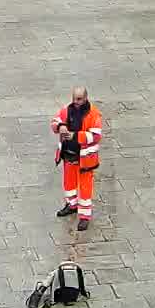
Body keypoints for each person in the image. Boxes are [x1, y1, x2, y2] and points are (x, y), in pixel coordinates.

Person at [51, 86, 104, 230]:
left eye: (79, 99)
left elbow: (96, 136)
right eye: (74, 98)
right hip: (69, 154)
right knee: (69, 184)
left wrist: (76, 136)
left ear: (86, 98)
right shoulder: (67, 110)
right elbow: (55, 121)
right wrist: (60, 126)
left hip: (85, 159)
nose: (76, 101)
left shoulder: (94, 115)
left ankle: (85, 216)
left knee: (85, 188)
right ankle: (72, 205)